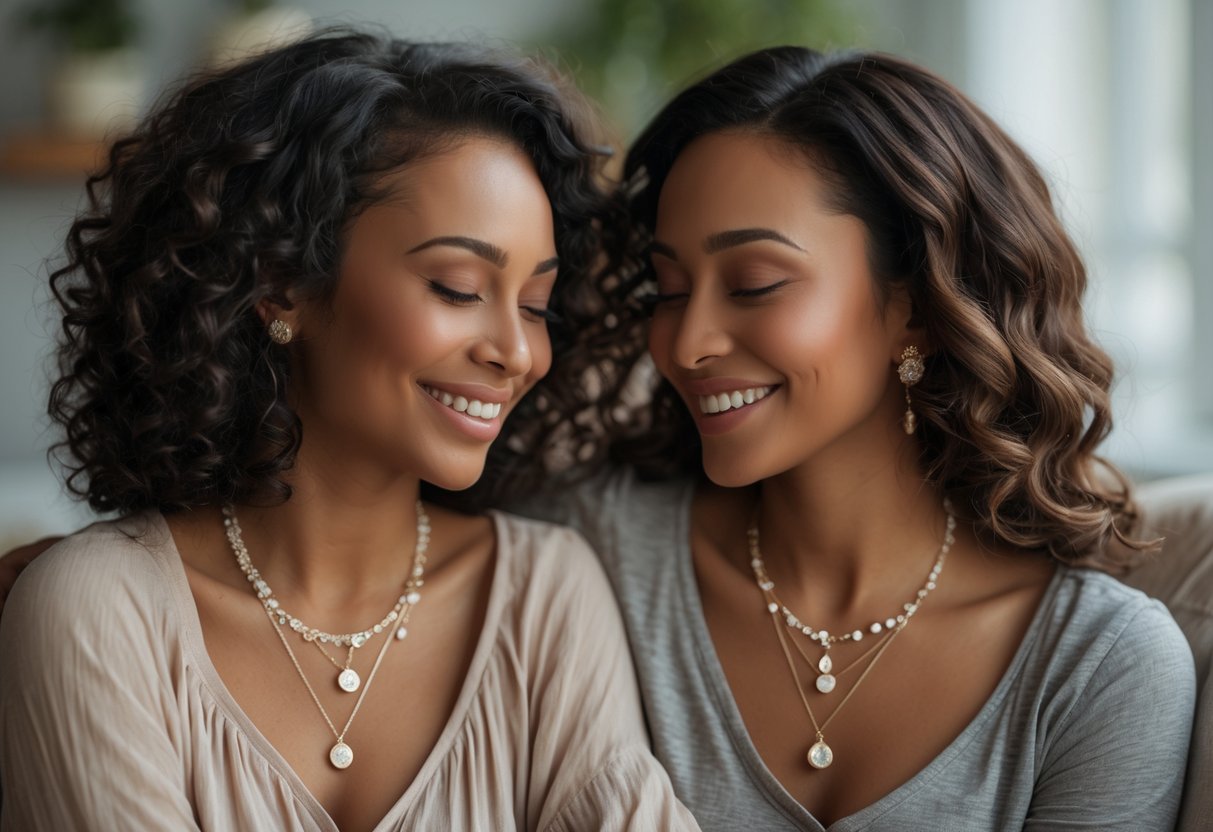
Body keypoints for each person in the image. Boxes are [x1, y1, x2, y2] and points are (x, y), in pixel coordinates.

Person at [0, 30, 696, 831]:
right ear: (280, 283)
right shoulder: (96, 610)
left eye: (535, 305)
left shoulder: (546, 595)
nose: (514, 351)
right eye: (457, 286)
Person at [526, 46, 1196, 829]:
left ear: (915, 306)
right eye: (669, 291)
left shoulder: (1099, 666)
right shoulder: (580, 554)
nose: (685, 343)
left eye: (753, 285)